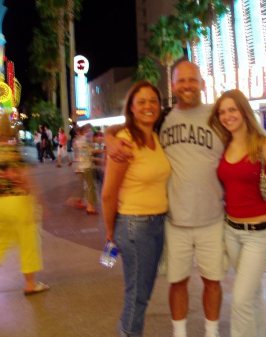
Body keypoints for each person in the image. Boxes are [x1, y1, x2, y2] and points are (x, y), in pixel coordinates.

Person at [105, 60, 225, 337]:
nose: (186, 86)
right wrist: (109, 137)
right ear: (172, 85)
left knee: (206, 282)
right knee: (154, 289)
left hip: (195, 220)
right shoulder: (151, 127)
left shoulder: (210, 118)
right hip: (157, 223)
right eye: (180, 80)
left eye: (192, 80)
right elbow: (109, 191)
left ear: (202, 83)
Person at [209, 89, 266, 337]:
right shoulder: (224, 145)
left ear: (243, 110)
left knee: (241, 300)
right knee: (252, 297)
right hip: (231, 232)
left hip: (259, 234)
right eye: (222, 112)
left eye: (232, 109)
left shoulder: (264, 145)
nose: (227, 116)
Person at [102, 81, 171, 337]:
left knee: (143, 291)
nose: (148, 106)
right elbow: (108, 194)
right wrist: (110, 231)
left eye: (153, 100)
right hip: (134, 226)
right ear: (131, 107)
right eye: (141, 101)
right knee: (138, 295)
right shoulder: (125, 141)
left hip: (156, 224)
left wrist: (108, 134)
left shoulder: (154, 136)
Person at [0, 114, 49, 300]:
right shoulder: (12, 150)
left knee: (0, 242)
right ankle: (30, 283)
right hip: (16, 201)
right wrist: (38, 199)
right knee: (29, 240)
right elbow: (20, 176)